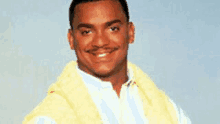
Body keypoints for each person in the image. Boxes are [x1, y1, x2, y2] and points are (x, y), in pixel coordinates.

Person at [23, 0, 191, 123]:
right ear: (71, 39)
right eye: (87, 31)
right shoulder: (51, 118)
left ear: (130, 32)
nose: (100, 42)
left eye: (113, 29)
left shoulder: (167, 110)